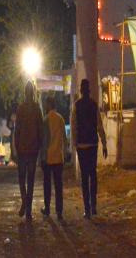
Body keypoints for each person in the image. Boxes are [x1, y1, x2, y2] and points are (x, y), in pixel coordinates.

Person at [71, 78, 107, 219]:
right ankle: (93, 206)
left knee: (85, 177)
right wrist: (103, 143)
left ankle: (87, 208)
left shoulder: (77, 105)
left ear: (81, 91)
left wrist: (75, 144)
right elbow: (99, 125)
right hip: (92, 143)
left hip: (82, 145)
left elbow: (74, 126)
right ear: (89, 91)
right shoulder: (93, 104)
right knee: (93, 175)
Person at [13, 80, 43, 221]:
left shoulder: (20, 108)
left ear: (25, 93)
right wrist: (40, 146)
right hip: (33, 150)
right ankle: (28, 209)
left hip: (23, 149)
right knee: (30, 180)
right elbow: (41, 129)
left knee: (21, 178)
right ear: (33, 92)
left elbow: (17, 129)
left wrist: (16, 146)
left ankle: (25, 202)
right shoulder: (37, 108)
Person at [40, 95, 66, 222]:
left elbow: (44, 141)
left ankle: (47, 208)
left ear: (49, 105)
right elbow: (64, 139)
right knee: (58, 186)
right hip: (58, 158)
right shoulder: (61, 119)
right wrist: (65, 154)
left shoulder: (45, 120)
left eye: (46, 104)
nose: (45, 107)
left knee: (47, 185)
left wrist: (42, 157)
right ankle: (59, 211)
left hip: (48, 158)